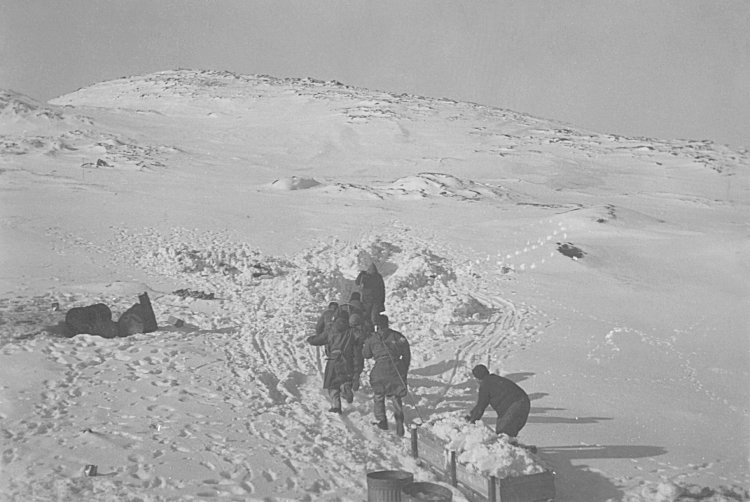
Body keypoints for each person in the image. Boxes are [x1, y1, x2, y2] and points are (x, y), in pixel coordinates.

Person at [362, 314, 410, 436]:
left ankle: (381, 420)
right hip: (395, 368)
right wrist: (403, 368)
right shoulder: (397, 336)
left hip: (380, 369)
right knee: (395, 395)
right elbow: (406, 353)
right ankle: (399, 419)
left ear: (377, 325)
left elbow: (366, 354)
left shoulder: (372, 338)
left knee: (379, 395)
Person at [306, 307, 355, 414]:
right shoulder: (350, 331)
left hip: (333, 358)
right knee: (345, 378)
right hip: (347, 359)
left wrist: (310, 339)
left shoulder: (331, 330)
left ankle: (336, 405)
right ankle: (345, 386)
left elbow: (319, 339)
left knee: (332, 383)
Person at [465, 364, 531, 437]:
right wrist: (472, 415)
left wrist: (471, 420)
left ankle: (509, 442)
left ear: (478, 378)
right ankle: (511, 442)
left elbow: (481, 406)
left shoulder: (485, 384)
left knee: (503, 434)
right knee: (504, 433)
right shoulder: (495, 379)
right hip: (524, 403)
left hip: (514, 406)